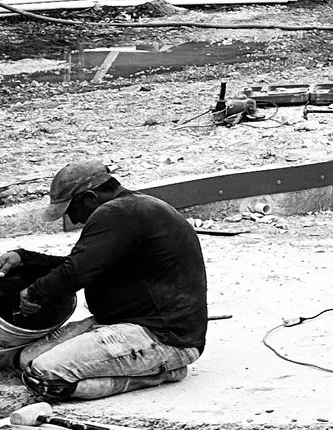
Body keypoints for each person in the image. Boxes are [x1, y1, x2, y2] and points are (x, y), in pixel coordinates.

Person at [0, 161, 208, 405]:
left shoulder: (117, 213)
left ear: (88, 198)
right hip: (125, 321)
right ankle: (143, 367)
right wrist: (25, 257)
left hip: (165, 336)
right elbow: (82, 263)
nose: (71, 217)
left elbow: (76, 272)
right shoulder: (130, 210)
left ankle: (161, 372)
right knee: (28, 358)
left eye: (70, 209)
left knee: (47, 375)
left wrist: (35, 293)